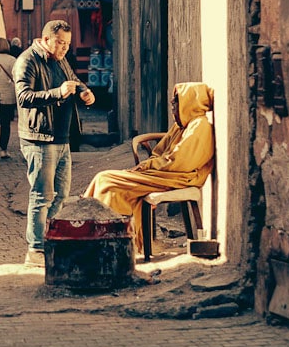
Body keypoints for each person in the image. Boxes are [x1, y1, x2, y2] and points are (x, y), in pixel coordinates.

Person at [84, 83, 215, 255]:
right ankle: (92, 235)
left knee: (107, 181)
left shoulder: (200, 126)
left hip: (180, 176)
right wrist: (147, 165)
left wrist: (147, 166)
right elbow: (159, 152)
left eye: (175, 104)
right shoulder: (181, 125)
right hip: (163, 172)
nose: (173, 109)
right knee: (103, 179)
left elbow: (180, 162)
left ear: (189, 103)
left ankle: (111, 241)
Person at [14, 19, 94, 266]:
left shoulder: (61, 59)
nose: (64, 48)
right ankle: (36, 249)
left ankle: (53, 242)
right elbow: (24, 97)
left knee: (61, 194)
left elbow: (73, 81)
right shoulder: (28, 60)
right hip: (39, 138)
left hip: (62, 138)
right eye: (60, 43)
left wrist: (84, 92)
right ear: (46, 39)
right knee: (42, 195)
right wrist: (58, 93)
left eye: (67, 44)